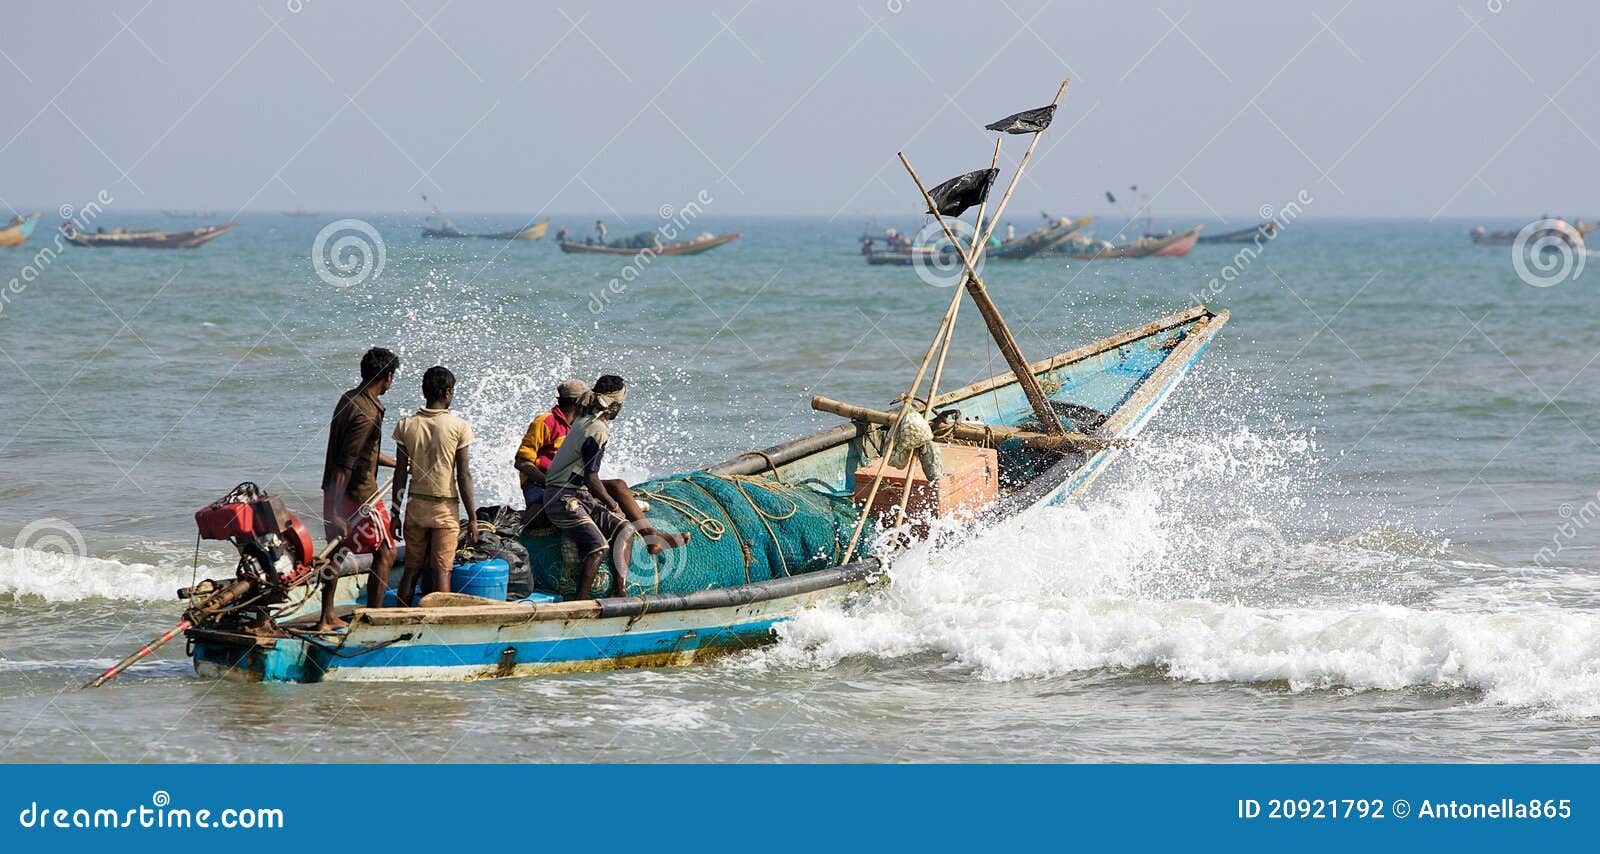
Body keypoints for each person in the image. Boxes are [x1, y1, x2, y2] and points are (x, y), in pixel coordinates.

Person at [516, 378, 689, 554]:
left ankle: (650, 535)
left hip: (572, 484)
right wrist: (548, 481)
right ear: (579, 400)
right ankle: (514, 517)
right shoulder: (545, 422)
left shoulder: (583, 423)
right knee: (540, 516)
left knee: (618, 485)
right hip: (539, 484)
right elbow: (521, 462)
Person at [319, 347, 400, 630]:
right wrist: (336, 514)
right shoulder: (367, 412)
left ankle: (326, 615)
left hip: (335, 490)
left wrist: (399, 462)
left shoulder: (350, 399)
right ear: (387, 376)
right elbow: (347, 463)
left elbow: (364, 451)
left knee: (336, 553)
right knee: (387, 552)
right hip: (358, 495)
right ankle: (373, 618)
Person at [392, 366, 478, 606]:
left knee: (411, 568)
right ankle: (439, 623)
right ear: (448, 392)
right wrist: (472, 518)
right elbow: (463, 475)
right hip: (445, 508)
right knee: (442, 570)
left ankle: (401, 616)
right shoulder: (458, 426)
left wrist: (394, 513)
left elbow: (400, 473)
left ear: (424, 391)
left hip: (415, 506)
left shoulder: (406, 425)